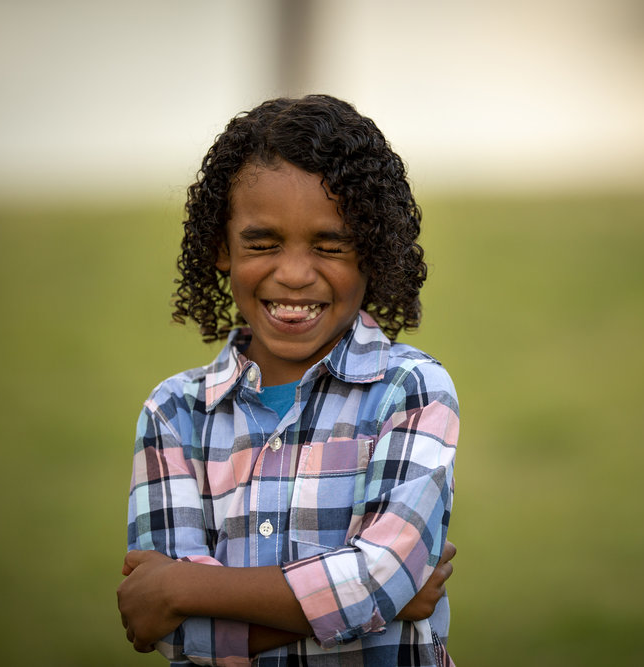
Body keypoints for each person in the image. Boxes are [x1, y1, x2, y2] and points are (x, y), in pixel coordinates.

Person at [118, 95, 459, 666]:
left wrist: (182, 587)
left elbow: (380, 579)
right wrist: (378, 600)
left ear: (372, 253)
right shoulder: (175, 413)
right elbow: (167, 631)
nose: (296, 274)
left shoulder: (411, 390)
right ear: (220, 248)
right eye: (263, 243)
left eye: (331, 246)